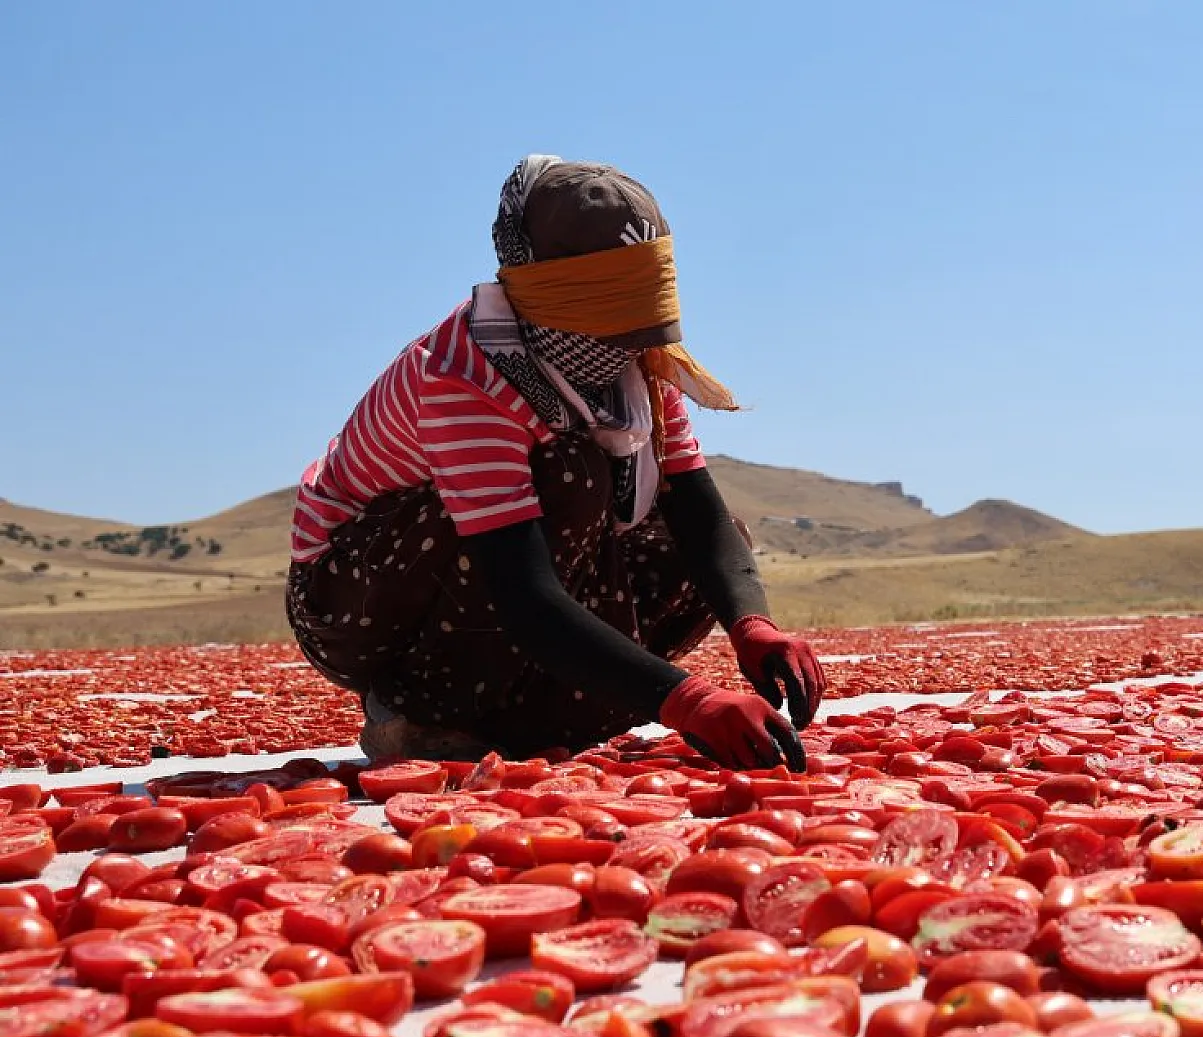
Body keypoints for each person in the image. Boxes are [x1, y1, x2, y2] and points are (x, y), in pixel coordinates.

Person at [285, 155, 823, 770]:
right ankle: (418, 711)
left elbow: (701, 515)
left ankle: (517, 719)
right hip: (357, 601)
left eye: (634, 329)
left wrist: (753, 625)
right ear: (545, 297)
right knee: (573, 471)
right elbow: (525, 593)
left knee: (686, 548)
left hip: (494, 591)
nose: (622, 349)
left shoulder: (636, 366)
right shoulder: (463, 379)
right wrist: (688, 699)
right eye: (607, 327)